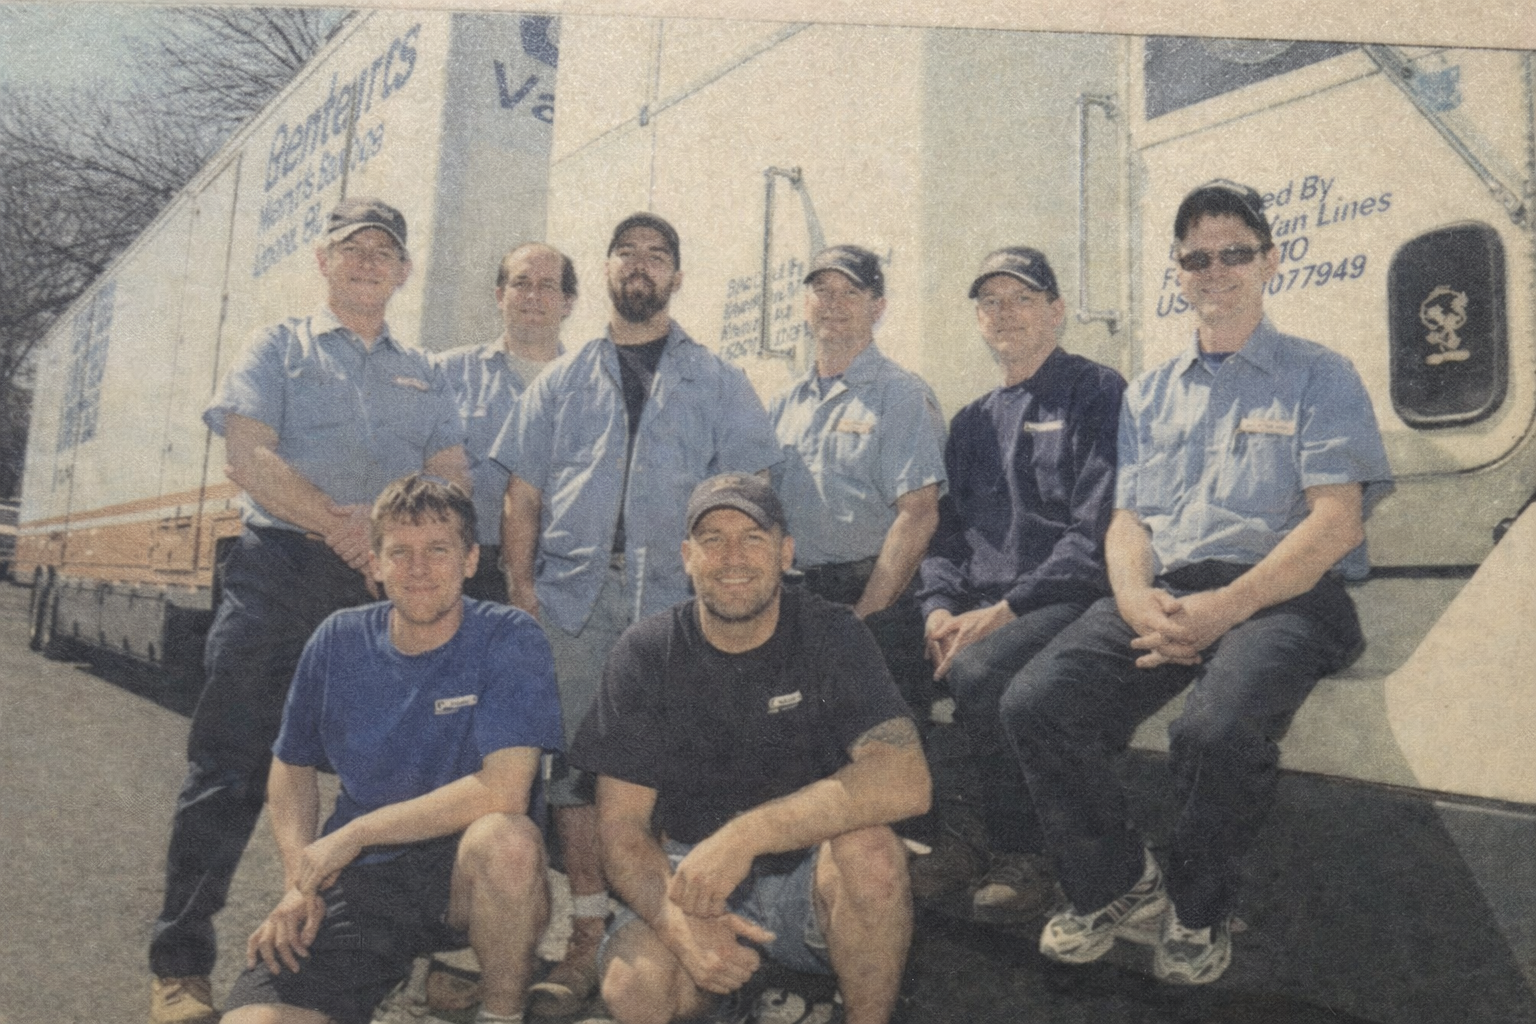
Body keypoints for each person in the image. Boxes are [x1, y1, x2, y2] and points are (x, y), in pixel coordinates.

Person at [1007, 180, 1393, 985]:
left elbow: (1336, 522)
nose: (1214, 270)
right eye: (1195, 258)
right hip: (1172, 590)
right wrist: (1132, 597)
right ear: (1177, 273)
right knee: (1037, 702)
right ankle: (1117, 885)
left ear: (1270, 263)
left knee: (1213, 734)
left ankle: (1197, 908)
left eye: (1234, 253)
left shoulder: (1320, 374)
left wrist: (1229, 608)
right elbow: (1128, 520)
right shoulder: (1149, 392)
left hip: (1283, 593)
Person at [149, 198, 471, 1024]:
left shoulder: (424, 372)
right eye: (351, 248)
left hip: (380, 591)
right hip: (281, 574)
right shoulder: (277, 348)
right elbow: (248, 452)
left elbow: (451, 472)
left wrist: (396, 546)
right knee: (229, 768)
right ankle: (181, 967)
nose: (368, 261)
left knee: (400, 783)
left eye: (384, 251)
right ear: (324, 263)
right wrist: (337, 522)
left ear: (403, 272)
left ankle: (379, 955)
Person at [491, 213, 782, 1015]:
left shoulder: (718, 381)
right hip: (576, 601)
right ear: (609, 272)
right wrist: (523, 590)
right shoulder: (563, 377)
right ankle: (588, 934)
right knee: (577, 777)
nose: (642, 266)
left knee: (672, 770)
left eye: (658, 255)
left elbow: (750, 494)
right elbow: (523, 493)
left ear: (677, 277)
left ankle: (674, 930)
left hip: (676, 608)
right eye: (627, 253)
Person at [571, 474, 931, 1024]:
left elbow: (905, 779)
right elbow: (621, 831)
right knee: (634, 990)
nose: (732, 557)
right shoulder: (644, 653)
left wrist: (745, 835)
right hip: (688, 874)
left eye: (754, 538)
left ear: (786, 552)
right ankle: (745, 998)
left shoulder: (832, 634)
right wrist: (679, 925)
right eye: (712, 539)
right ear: (687, 557)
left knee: (872, 851)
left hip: (808, 873)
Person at [221, 474, 562, 1024]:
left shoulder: (510, 636)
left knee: (510, 841)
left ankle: (500, 1012)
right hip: (363, 880)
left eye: (438, 550)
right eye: (399, 552)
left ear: (471, 559)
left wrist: (353, 834)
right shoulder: (337, 638)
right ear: (374, 564)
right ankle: (409, 977)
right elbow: (291, 766)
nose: (419, 568)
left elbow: (504, 789)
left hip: (462, 879)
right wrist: (298, 883)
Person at [914, 247, 1126, 918]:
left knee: (979, 674)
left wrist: (1001, 611)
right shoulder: (972, 420)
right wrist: (938, 609)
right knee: (886, 658)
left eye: (1023, 299)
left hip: (1065, 594)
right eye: (991, 302)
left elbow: (1091, 533)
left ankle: (1024, 851)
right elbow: (945, 536)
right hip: (984, 602)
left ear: (1058, 312)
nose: (1005, 314)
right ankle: (956, 836)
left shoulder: (1096, 391)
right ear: (977, 319)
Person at [767, 244, 945, 718]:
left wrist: (864, 616)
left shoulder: (901, 395)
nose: (833, 303)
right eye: (821, 290)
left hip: (877, 603)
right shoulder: (784, 406)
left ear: (877, 308)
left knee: (886, 763)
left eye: (850, 292)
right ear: (805, 305)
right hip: (798, 603)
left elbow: (919, 514)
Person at [436, 243, 576, 602]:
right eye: (521, 283)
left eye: (547, 286)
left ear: (568, 302)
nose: (532, 295)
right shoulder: (448, 374)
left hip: (559, 573)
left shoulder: (590, 386)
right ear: (500, 295)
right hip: (470, 571)